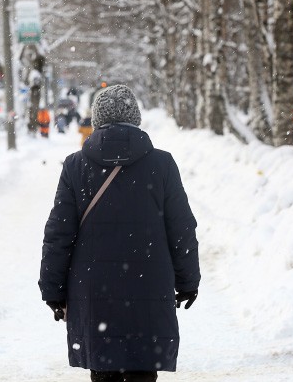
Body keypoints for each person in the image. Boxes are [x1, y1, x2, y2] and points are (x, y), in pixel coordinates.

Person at [39, 85, 201, 382]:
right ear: (136, 118)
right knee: (142, 369)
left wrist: (52, 288)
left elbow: (58, 234)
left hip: (93, 291)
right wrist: (188, 280)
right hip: (149, 288)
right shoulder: (162, 164)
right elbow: (181, 228)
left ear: (97, 121)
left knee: (103, 370)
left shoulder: (76, 166)